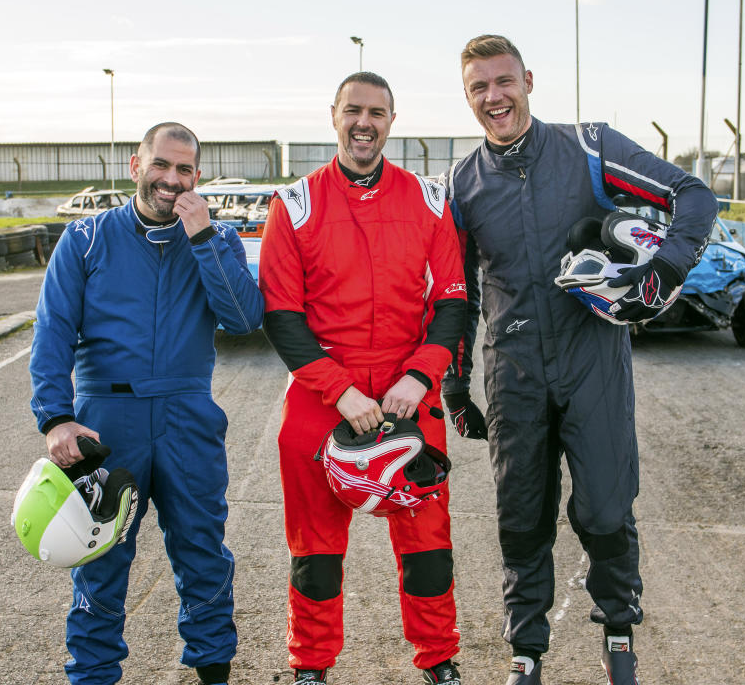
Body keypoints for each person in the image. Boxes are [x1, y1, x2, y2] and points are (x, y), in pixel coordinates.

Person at [440, 35, 718, 685]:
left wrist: (664, 271)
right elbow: (458, 288)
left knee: (603, 508)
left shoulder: (590, 148)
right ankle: (526, 652)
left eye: (503, 81)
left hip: (593, 363)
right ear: (467, 97)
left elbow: (693, 196)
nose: (493, 97)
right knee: (522, 516)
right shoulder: (460, 183)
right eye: (478, 87)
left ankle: (619, 633)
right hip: (514, 373)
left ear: (529, 80)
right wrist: (456, 384)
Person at [29, 122, 264, 685]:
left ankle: (213, 670)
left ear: (197, 178)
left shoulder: (218, 238)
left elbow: (243, 318)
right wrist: (57, 418)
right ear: (137, 165)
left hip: (188, 416)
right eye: (161, 165)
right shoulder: (85, 238)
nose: (171, 179)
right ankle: (92, 675)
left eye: (184, 170)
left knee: (202, 550)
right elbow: (53, 333)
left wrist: (203, 236)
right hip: (105, 422)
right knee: (100, 562)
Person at [258, 72, 468, 685]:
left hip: (409, 393)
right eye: (353, 111)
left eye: (376, 112)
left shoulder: (429, 199)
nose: (364, 123)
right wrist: (341, 390)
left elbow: (452, 301)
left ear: (391, 121)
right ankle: (311, 667)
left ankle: (439, 660)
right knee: (315, 550)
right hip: (324, 398)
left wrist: (422, 377)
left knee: (428, 543)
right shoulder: (294, 203)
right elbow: (281, 315)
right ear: (333, 116)